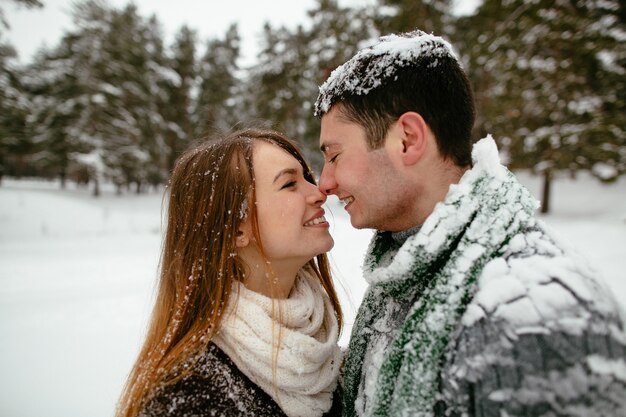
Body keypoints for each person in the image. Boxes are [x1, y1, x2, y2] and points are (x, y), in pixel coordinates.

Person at [314, 30, 626, 417]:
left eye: (335, 155)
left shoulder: (539, 318)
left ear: (408, 140)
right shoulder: (402, 276)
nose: (325, 183)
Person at [116, 128, 343, 417]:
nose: (319, 192)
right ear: (236, 227)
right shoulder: (190, 399)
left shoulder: (327, 359)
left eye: (307, 178)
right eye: (289, 184)